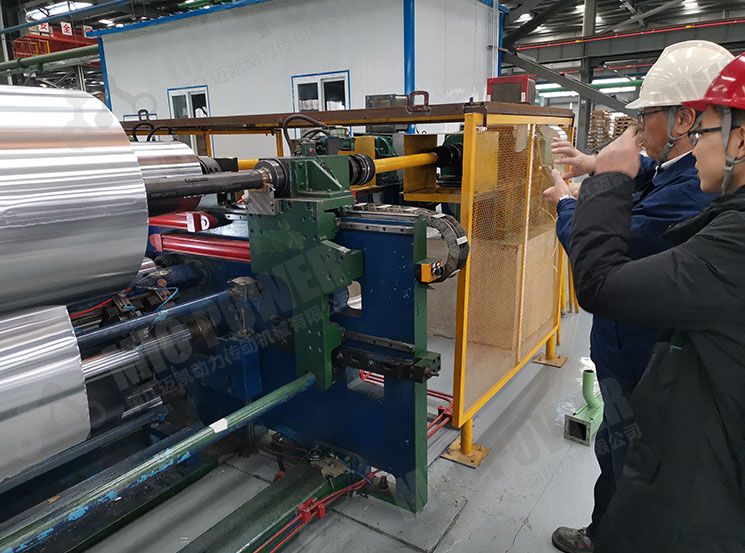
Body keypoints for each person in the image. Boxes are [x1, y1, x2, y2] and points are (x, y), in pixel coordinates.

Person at [544, 40, 733, 553]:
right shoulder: (686, 173)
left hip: (639, 362)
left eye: (644, 116)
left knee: (627, 461)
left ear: (683, 121)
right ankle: (601, 530)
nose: (636, 128)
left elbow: (602, 257)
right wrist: (595, 163)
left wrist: (569, 202)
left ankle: (607, 538)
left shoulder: (695, 195)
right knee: (615, 448)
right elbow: (657, 174)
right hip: (629, 352)